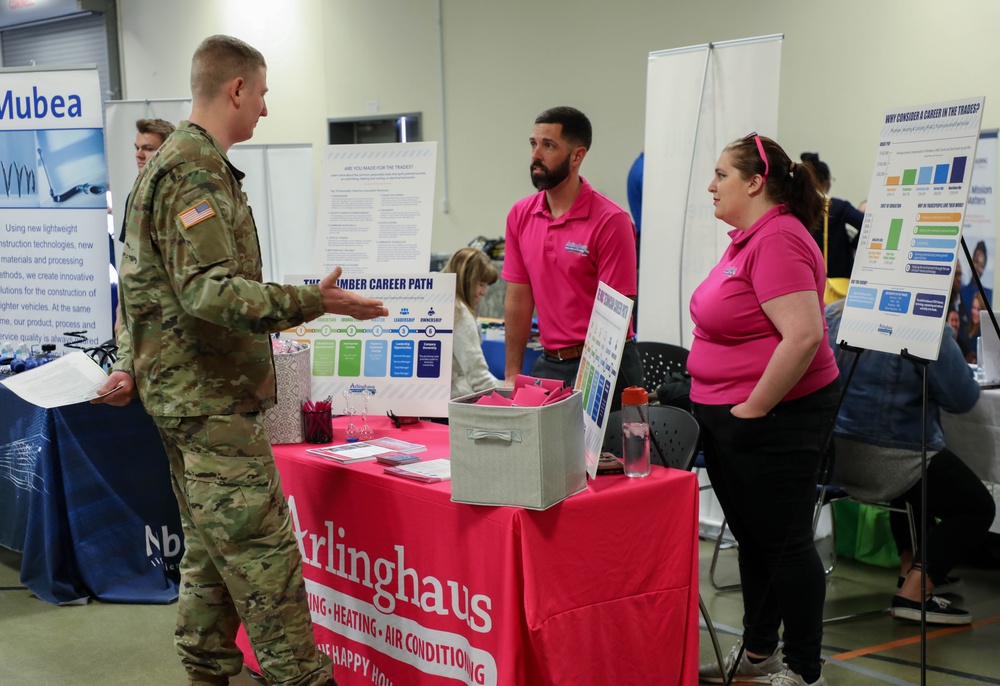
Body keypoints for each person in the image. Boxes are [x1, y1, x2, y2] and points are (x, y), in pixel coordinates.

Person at [93, 35, 388, 686]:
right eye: (261, 95)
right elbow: (208, 293)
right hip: (211, 406)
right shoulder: (193, 171)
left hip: (187, 404)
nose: (263, 109)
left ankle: (207, 670)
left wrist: (127, 365)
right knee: (264, 564)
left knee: (208, 556)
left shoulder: (166, 168)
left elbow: (139, 288)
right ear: (235, 90)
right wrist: (315, 299)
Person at [691, 133, 839, 686]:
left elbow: (802, 337)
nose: (712, 185)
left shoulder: (777, 239)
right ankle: (760, 656)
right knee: (754, 541)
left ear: (755, 182)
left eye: (721, 174)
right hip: (738, 417)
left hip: (777, 418)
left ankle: (803, 670)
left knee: (785, 544)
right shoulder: (747, 239)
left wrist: (750, 411)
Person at [825, 298, 993, 625]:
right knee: (978, 508)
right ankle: (915, 592)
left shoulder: (832, 314)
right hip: (891, 461)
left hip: (835, 458)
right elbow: (963, 400)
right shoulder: (926, 326)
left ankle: (910, 570)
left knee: (919, 482)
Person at [502, 106, 642, 410]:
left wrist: (588, 392)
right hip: (550, 363)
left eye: (548, 145)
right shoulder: (520, 215)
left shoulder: (611, 221)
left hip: (607, 365)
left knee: (601, 458)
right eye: (533, 144)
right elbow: (518, 299)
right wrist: (512, 374)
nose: (536, 154)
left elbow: (614, 314)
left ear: (577, 156)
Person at [115, 118, 177, 336]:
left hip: (171, 313)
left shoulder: (179, 194)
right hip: (140, 308)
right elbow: (128, 258)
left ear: (166, 151)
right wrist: (120, 310)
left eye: (148, 149)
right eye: (137, 148)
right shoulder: (136, 195)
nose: (138, 155)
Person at [441, 246, 501, 398]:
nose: (484, 292)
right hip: (450, 401)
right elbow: (478, 376)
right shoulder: (459, 312)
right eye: (481, 284)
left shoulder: (438, 300)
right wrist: (508, 401)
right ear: (466, 279)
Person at [799, 152, 865, 280]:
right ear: (825, 182)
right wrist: (853, 243)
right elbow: (867, 223)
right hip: (838, 279)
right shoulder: (838, 207)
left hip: (806, 278)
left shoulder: (794, 208)